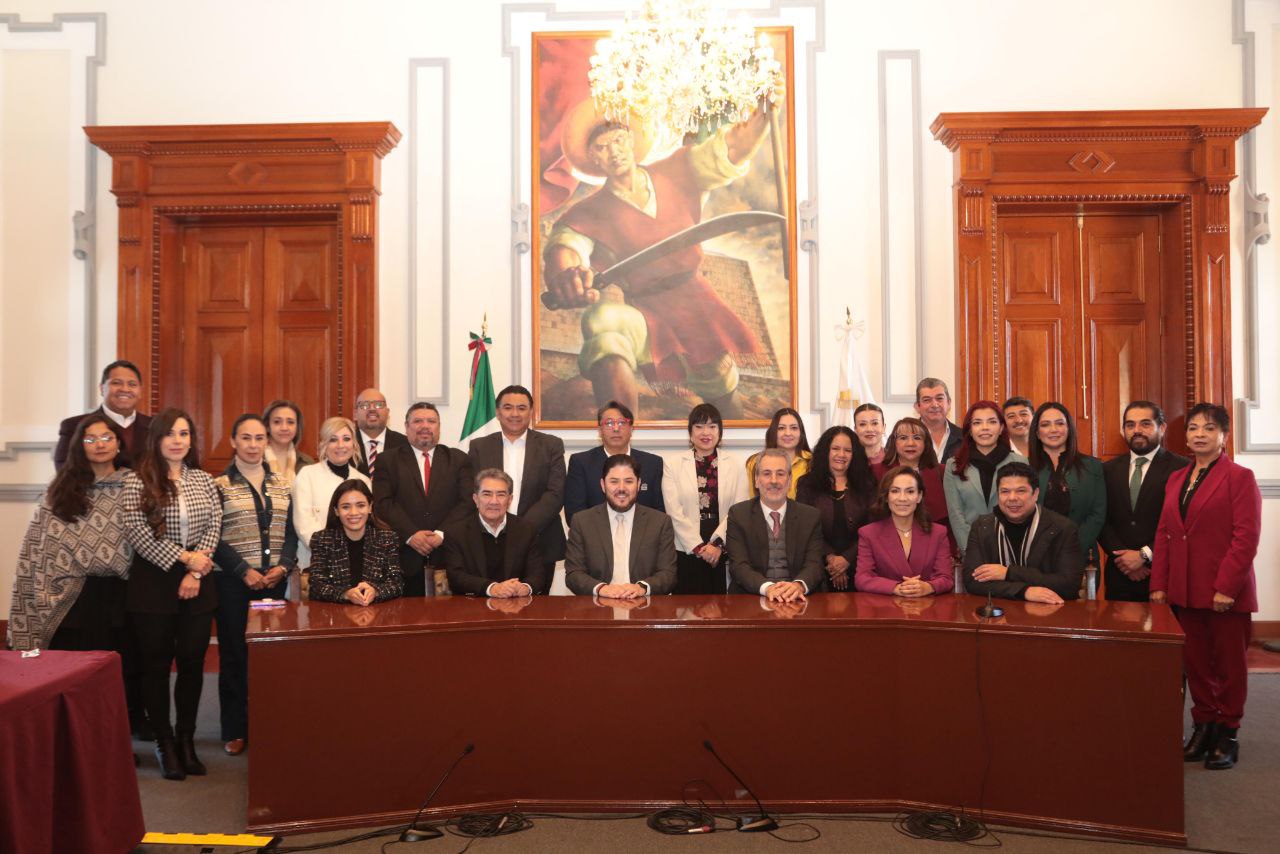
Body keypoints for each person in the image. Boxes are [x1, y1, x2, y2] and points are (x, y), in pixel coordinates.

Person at [541, 85, 781, 418]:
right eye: (602, 147)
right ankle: (620, 447)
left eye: (619, 140)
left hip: (697, 305)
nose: (614, 151)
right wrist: (569, 276)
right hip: (646, 313)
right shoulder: (587, 213)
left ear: (632, 141)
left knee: (721, 388)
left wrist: (764, 112)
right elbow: (565, 249)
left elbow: (732, 149)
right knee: (604, 322)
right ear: (594, 158)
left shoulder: (680, 169)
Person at [1151, 403, 1261, 771]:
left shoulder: (1240, 477)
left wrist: (1227, 587)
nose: (1199, 434)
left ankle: (1227, 733)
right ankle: (1204, 725)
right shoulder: (1177, 479)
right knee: (1195, 664)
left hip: (1223, 592)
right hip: (1184, 589)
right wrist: (1160, 585)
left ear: (1224, 436)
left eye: (1209, 428)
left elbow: (1245, 538)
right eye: (1194, 428)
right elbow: (1166, 533)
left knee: (1229, 666)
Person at [120, 408, 222, 781]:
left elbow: (214, 524)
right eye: (170, 434)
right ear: (157, 439)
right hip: (153, 586)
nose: (178, 440)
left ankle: (186, 739)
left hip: (199, 581)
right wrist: (185, 558)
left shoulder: (204, 480)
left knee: (193, 664)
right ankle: (163, 741)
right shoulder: (137, 481)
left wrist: (196, 569)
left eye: (184, 433)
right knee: (156, 666)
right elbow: (138, 534)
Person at [211, 414, 298, 758]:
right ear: (233, 441)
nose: (252, 445)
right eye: (245, 438)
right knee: (234, 655)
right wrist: (242, 569)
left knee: (270, 658)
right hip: (233, 583)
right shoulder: (218, 486)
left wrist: (283, 566)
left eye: (259, 438)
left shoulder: (281, 484)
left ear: (267, 443)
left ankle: (268, 725)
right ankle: (234, 729)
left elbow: (291, 532)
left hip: (273, 583)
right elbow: (212, 535)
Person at [9, 417, 132, 652]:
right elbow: (38, 547)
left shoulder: (135, 487)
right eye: (90, 439)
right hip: (70, 597)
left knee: (118, 673)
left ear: (118, 444)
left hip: (121, 595)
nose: (100, 444)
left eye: (107, 438)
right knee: (72, 670)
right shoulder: (61, 490)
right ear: (80, 446)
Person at [467, 385, 565, 594]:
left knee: (537, 611)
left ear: (531, 412)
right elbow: (474, 492)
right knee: (491, 608)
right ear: (498, 412)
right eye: (508, 407)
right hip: (489, 540)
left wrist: (520, 528)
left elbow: (555, 493)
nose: (514, 414)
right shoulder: (479, 446)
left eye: (521, 408)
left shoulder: (551, 445)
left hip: (540, 540)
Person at [372, 402, 474, 596]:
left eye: (431, 421)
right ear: (406, 426)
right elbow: (383, 503)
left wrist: (441, 534)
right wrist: (411, 535)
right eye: (418, 421)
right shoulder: (387, 460)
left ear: (439, 427)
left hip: (449, 557)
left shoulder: (458, 459)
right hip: (403, 559)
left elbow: (468, 502)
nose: (425, 426)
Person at [1098, 401, 1188, 602]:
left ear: (1162, 428)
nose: (1136, 430)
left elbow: (1182, 523)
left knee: (1163, 631)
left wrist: (1144, 556)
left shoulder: (1182, 469)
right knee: (1121, 632)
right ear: (1123, 430)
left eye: (1145, 424)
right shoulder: (1107, 469)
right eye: (1130, 425)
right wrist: (1122, 559)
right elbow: (1101, 519)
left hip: (1164, 573)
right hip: (1119, 575)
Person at [963, 462, 1084, 603]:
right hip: (999, 613)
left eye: (1021, 491)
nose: (1012, 498)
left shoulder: (1062, 528)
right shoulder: (982, 526)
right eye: (1005, 491)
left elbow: (1069, 584)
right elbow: (973, 582)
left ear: (1035, 494)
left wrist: (1008, 573)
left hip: (1051, 613)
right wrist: (1024, 591)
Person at [661, 404, 749, 594]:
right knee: (686, 611)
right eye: (699, 426)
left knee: (722, 610)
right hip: (685, 546)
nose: (705, 432)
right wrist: (699, 547)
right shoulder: (672, 464)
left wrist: (717, 545)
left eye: (712, 426)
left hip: (723, 545)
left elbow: (739, 510)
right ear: (690, 432)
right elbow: (673, 511)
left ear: (720, 431)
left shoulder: (736, 464)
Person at [564, 454, 677, 597]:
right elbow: (574, 574)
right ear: (603, 485)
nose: (621, 488)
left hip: (643, 607)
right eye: (614, 481)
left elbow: (668, 574)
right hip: (598, 608)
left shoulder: (660, 522)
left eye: (629, 481)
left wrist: (642, 587)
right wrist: (601, 589)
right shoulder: (582, 521)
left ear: (639, 484)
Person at [726, 448, 825, 601]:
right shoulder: (738, 514)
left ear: (790, 480)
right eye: (766, 474)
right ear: (756, 480)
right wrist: (768, 588)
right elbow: (739, 566)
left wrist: (798, 586)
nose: (774, 480)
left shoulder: (810, 516)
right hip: (751, 600)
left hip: (797, 599)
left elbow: (815, 564)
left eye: (780, 474)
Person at [795, 425, 876, 591]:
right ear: (826, 451)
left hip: (861, 567)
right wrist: (831, 558)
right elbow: (805, 527)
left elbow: (873, 527)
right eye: (836, 448)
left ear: (855, 454)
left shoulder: (868, 484)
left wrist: (846, 559)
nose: (841, 454)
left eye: (847, 450)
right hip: (819, 569)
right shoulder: (807, 484)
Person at [443, 469, 546, 597]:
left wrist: (525, 587)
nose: (494, 501)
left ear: (510, 500)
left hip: (516, 606)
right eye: (487, 494)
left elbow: (538, 574)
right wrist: (492, 588)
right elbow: (456, 577)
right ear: (475, 499)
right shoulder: (456, 532)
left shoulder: (527, 530)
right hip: (473, 607)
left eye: (501, 495)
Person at [943, 401, 1027, 557]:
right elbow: (956, 515)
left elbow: (1025, 511)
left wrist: (1009, 551)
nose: (985, 428)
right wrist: (972, 552)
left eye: (992, 422)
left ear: (1001, 428)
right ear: (969, 430)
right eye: (977, 423)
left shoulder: (1020, 463)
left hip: (1013, 552)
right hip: (972, 552)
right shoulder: (953, 466)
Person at [1027, 401, 1106, 565]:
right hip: (1035, 558)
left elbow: (1097, 513)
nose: (1053, 430)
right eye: (1045, 425)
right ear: (1036, 432)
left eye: (1059, 423)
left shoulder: (1093, 466)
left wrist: (1074, 548)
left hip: (1081, 556)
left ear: (1069, 429)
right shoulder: (1025, 468)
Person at [854, 466, 953, 596]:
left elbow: (946, 579)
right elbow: (862, 579)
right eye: (895, 491)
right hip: (885, 610)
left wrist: (928, 587)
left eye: (910, 491)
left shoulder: (938, 533)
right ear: (886, 496)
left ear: (919, 496)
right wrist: (896, 588)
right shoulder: (868, 533)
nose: (902, 498)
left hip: (927, 610)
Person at [564, 400, 664, 523]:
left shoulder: (653, 463)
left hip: (642, 539)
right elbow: (574, 515)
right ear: (600, 430)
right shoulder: (580, 463)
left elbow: (659, 514)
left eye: (622, 422)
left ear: (631, 429)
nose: (616, 428)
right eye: (609, 423)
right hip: (596, 539)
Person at [307, 480, 404, 605]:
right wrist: (345, 594)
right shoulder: (322, 540)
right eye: (345, 507)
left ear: (370, 507)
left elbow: (397, 583)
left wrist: (376, 591)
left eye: (361, 505)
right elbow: (317, 585)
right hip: (335, 618)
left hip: (378, 616)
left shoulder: (387, 538)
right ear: (336, 511)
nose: (353, 513)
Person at [292, 417, 371, 569]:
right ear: (324, 444)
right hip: (316, 563)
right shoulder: (307, 475)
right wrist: (333, 554)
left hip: (356, 563)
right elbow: (304, 525)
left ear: (354, 444)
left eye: (346, 439)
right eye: (333, 439)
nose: (340, 445)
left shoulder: (364, 481)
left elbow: (367, 525)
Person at [55, 360, 153, 470]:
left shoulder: (155, 426)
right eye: (116, 383)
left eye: (132, 384)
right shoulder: (74, 425)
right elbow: (65, 472)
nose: (125, 389)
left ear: (140, 391)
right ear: (102, 388)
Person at [876, 417, 951, 545]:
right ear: (894, 442)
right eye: (903, 438)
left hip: (933, 543)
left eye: (917, 438)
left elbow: (951, 518)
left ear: (926, 443)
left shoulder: (943, 472)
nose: (910, 443)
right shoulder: (877, 472)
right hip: (888, 543)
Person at [745, 407, 812, 499]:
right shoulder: (754, 462)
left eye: (794, 428)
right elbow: (752, 500)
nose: (788, 433)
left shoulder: (813, 462)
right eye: (781, 428)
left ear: (801, 433)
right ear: (773, 432)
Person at [351, 388, 408, 477]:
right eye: (365, 405)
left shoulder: (405, 444)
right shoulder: (345, 444)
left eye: (378, 405)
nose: (372, 409)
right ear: (355, 414)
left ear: (388, 412)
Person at [261, 399, 314, 488]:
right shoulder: (254, 459)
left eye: (290, 422)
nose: (284, 428)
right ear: (267, 426)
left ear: (297, 427)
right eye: (277, 422)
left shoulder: (307, 462)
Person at [914, 378, 962, 463]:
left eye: (939, 398)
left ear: (949, 403)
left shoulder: (964, 437)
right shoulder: (903, 438)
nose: (934, 405)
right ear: (917, 407)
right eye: (927, 400)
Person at [853, 403, 887, 467]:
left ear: (884, 427)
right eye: (862, 424)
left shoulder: (895, 461)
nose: (869, 429)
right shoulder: (847, 462)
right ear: (855, 429)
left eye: (875, 423)